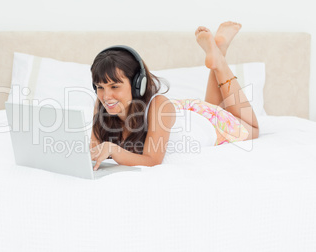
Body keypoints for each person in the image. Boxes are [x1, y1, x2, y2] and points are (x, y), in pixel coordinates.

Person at [89, 21, 259, 170]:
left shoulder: (158, 105)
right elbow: (94, 153)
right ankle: (218, 51)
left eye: (115, 86)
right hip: (189, 115)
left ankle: (220, 61)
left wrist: (114, 150)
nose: (106, 96)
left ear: (137, 84)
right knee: (212, 107)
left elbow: (152, 161)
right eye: (100, 87)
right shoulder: (102, 103)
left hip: (207, 122)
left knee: (253, 128)